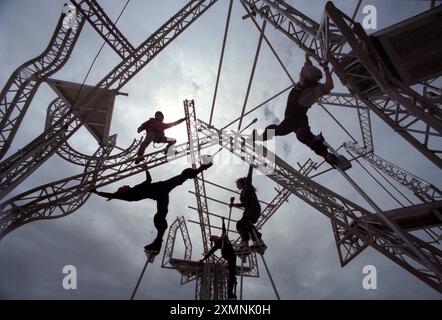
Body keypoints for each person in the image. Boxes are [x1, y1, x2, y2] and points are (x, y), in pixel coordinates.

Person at [90, 162, 213, 252]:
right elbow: (112, 195)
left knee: (185, 174)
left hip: (162, 187)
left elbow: (148, 180)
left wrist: (146, 169)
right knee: (160, 216)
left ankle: (203, 167)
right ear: (122, 191)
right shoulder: (129, 196)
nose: (124, 185)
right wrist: (97, 192)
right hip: (161, 195)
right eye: (122, 187)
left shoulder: (136, 187)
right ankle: (158, 242)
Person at [257, 51, 340, 167]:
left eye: (304, 80)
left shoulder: (315, 89)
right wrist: (307, 56)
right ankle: (258, 137)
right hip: (290, 120)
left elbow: (329, 85)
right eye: (303, 78)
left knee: (302, 135)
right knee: (283, 131)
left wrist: (326, 69)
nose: (302, 80)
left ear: (310, 81)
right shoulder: (306, 76)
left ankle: (325, 154)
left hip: (297, 117)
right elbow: (307, 65)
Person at [200, 218, 237, 300]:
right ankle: (230, 292)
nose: (214, 239)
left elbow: (224, 229)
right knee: (231, 273)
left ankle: (230, 292)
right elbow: (210, 252)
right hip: (229, 256)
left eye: (214, 238)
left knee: (232, 274)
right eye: (213, 239)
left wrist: (223, 221)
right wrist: (203, 259)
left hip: (231, 256)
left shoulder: (223, 238)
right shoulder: (218, 244)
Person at [229, 164, 265, 251]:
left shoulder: (248, 187)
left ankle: (254, 240)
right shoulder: (242, 194)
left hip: (253, 209)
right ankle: (249, 241)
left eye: (237, 183)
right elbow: (243, 204)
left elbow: (249, 176)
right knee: (242, 225)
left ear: (241, 183)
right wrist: (234, 205)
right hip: (248, 210)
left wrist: (251, 166)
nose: (236, 185)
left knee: (245, 223)